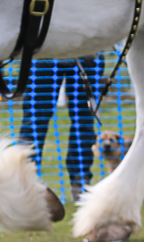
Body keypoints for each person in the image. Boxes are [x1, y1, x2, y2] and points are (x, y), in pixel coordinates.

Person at [19, 56, 103, 198]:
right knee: (35, 119)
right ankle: (24, 181)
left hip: (80, 53)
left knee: (82, 120)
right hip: (51, 53)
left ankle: (80, 182)